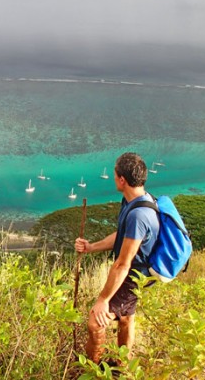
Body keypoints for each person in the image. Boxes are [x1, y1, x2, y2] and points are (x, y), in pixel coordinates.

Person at [74, 152, 159, 363]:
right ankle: (123, 366)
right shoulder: (134, 201)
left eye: (114, 175)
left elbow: (122, 264)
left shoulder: (139, 215)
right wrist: (91, 247)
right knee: (126, 317)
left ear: (122, 180)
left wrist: (103, 300)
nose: (113, 179)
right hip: (137, 270)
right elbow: (123, 236)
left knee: (96, 322)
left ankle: (93, 371)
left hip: (134, 275)